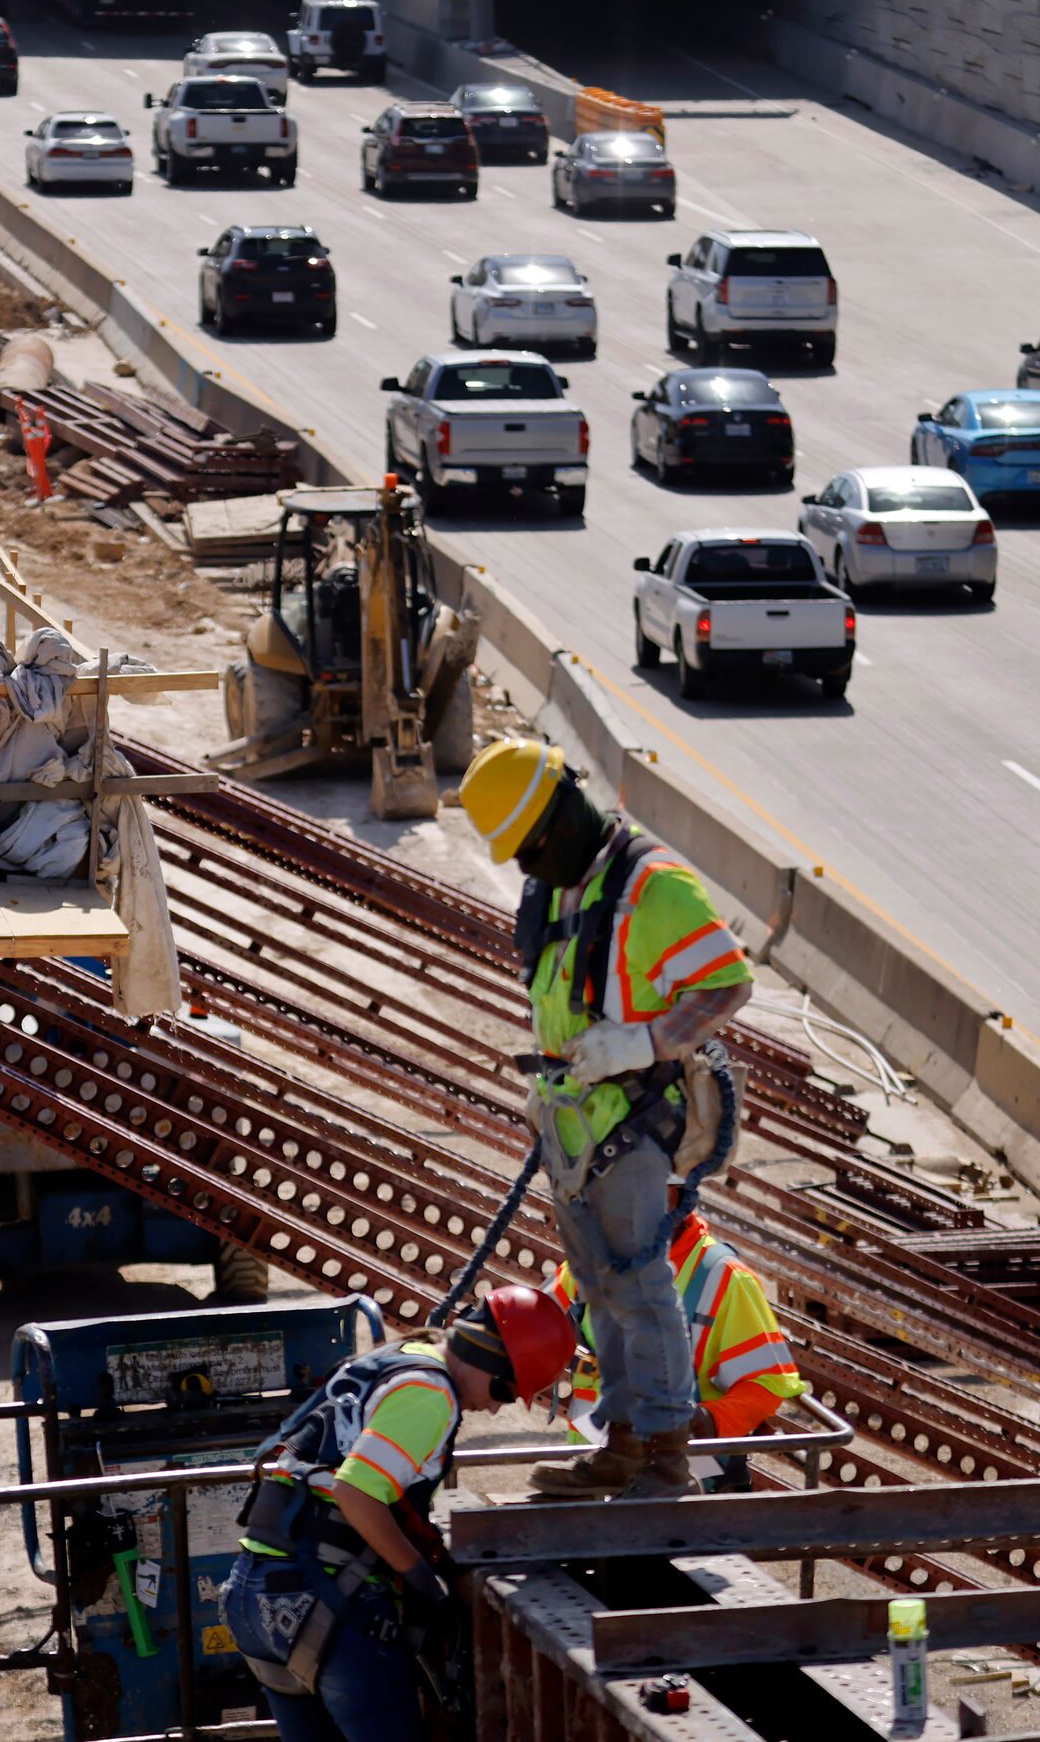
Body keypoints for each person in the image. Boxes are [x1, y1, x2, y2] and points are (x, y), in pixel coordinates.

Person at [458, 737, 755, 1501]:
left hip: (630, 1121)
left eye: (528, 850)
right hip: (570, 1121)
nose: (524, 869)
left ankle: (664, 1454)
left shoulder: (652, 888)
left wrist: (643, 1042)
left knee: (638, 1286)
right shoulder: (561, 890)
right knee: (596, 1287)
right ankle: (621, 1441)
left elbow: (725, 984)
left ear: (559, 820)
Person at [223, 1286, 575, 1742]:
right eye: (505, 1393)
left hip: (254, 1592)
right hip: (325, 1600)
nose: (492, 1408)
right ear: (489, 1359)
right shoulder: (431, 1394)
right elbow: (355, 1492)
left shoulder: (401, 1356)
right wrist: (422, 1581)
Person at [538, 1204, 803, 1495]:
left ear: (672, 1195)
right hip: (591, 1477)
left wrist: (706, 1421)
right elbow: (537, 1319)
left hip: (689, 1488)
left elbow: (767, 1383)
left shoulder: (724, 1279)